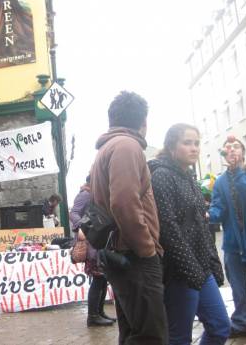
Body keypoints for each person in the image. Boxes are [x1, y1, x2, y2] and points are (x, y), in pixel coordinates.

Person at [90, 91, 167, 344]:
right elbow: (123, 202)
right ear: (143, 123)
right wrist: (147, 249)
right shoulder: (127, 146)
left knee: (133, 332)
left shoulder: (109, 148)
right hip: (134, 255)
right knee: (150, 336)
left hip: (123, 253)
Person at [149, 124, 230, 345]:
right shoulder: (162, 176)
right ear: (171, 146)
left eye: (196, 143)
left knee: (220, 327)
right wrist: (191, 270)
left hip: (201, 269)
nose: (194, 148)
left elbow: (202, 226)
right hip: (179, 272)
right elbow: (168, 228)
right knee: (179, 337)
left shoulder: (188, 176)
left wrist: (213, 263)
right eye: (187, 143)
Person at [209, 136, 246, 338]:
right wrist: (207, 214)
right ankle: (243, 324)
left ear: (243, 151)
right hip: (232, 246)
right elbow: (218, 209)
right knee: (238, 290)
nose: (231, 149)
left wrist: (237, 170)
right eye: (227, 147)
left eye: (236, 146)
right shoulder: (221, 181)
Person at [69, 176, 115, 327]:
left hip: (98, 241)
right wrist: (81, 227)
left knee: (102, 278)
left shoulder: (96, 194)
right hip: (91, 242)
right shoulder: (86, 194)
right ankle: (93, 316)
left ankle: (99, 312)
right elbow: (74, 213)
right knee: (98, 278)